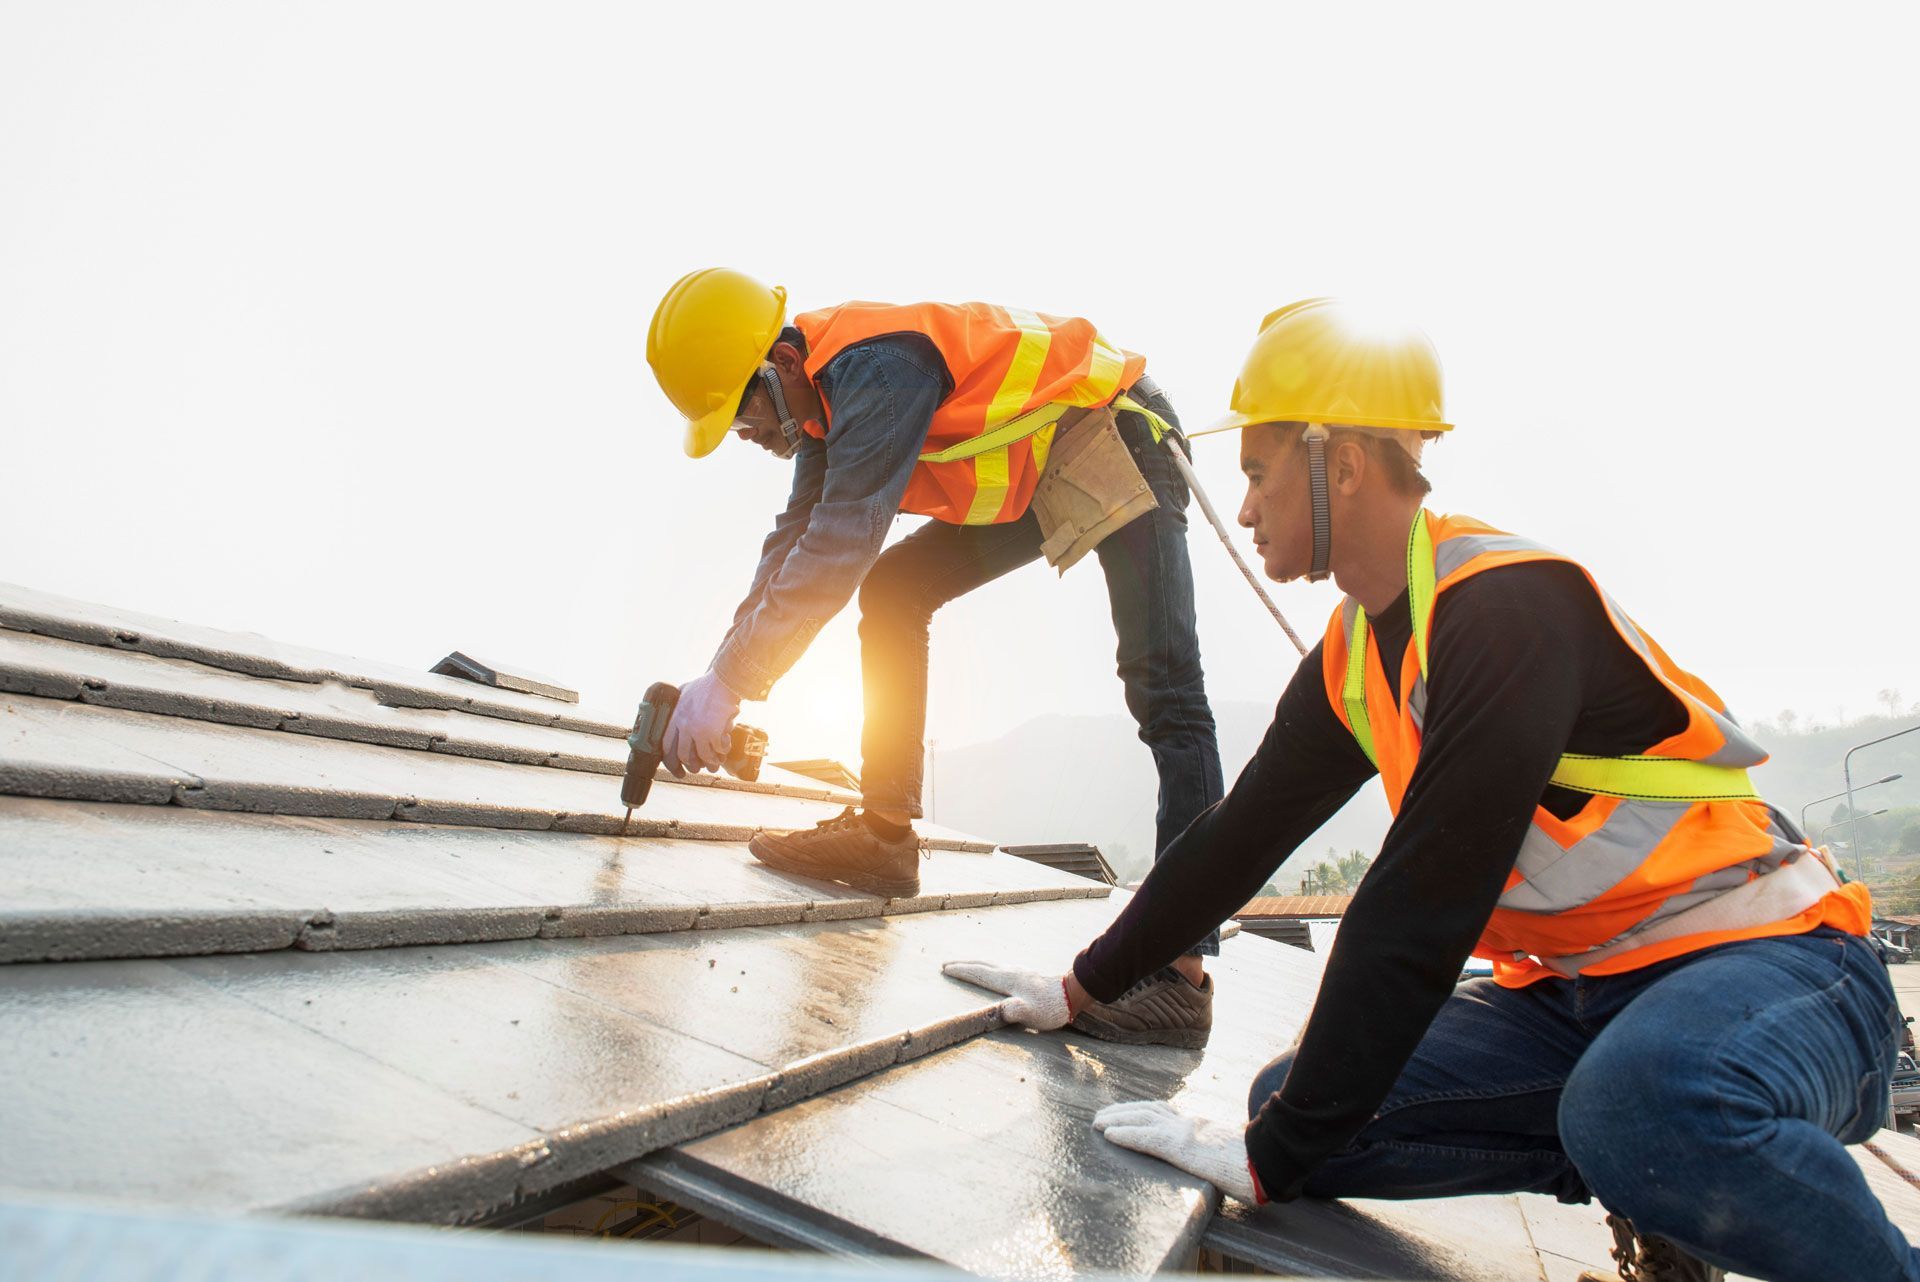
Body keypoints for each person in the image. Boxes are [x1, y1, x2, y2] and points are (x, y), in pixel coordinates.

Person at [943, 298, 1908, 1282]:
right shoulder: (1356, 655)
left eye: (1258, 473)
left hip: (1787, 975)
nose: (1243, 509)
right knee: (1310, 1101)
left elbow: (1419, 902)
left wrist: (1268, 1162)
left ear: (1344, 463)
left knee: (1616, 1105)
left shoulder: (1504, 609)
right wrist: (1081, 986)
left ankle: (1700, 1162)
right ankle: (1655, 1174)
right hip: (1588, 1002)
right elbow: (1238, 838)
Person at [646, 268, 1225, 1046]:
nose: (743, 436)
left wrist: (733, 683)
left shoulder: (875, 367)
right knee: (894, 592)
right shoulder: (817, 410)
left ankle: (1181, 975)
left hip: (1115, 432)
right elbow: (794, 538)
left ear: (781, 368)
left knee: (1166, 690)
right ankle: (885, 839)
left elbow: (841, 539)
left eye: (740, 413)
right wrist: (717, 677)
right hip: (1040, 459)